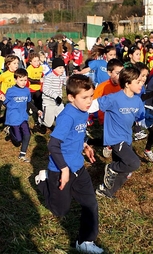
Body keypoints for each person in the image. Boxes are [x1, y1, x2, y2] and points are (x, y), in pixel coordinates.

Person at [35, 74, 103, 254]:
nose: (89, 102)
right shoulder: (67, 116)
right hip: (60, 169)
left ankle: (85, 242)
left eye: (91, 96)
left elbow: (75, 135)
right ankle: (43, 181)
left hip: (78, 168)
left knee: (90, 203)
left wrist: (85, 145)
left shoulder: (82, 111)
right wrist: (63, 169)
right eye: (85, 98)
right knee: (60, 210)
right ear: (71, 97)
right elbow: (53, 144)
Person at [90, 67, 145, 199]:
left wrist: (149, 122)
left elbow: (141, 118)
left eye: (142, 81)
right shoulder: (114, 98)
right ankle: (111, 167)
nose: (141, 84)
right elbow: (93, 105)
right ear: (127, 83)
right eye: (138, 81)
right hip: (115, 138)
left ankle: (106, 191)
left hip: (127, 138)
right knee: (134, 163)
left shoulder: (137, 100)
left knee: (126, 170)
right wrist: (78, 113)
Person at [4, 68, 42, 162]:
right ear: (15, 79)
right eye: (21, 80)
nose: (23, 82)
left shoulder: (26, 91)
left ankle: (22, 154)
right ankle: (10, 129)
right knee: (18, 140)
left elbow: (29, 102)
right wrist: (5, 106)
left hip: (23, 116)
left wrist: (37, 111)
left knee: (27, 134)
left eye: (25, 80)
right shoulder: (10, 91)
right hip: (13, 117)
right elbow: (4, 101)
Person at [41, 58, 66, 130]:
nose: (62, 70)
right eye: (60, 68)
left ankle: (60, 131)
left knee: (63, 118)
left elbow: (66, 83)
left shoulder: (61, 76)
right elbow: (45, 89)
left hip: (59, 103)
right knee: (48, 123)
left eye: (63, 67)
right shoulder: (49, 77)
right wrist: (56, 96)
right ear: (54, 68)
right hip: (49, 103)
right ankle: (40, 119)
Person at [26, 53, 45, 133]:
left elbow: (42, 76)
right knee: (28, 104)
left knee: (39, 104)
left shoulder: (41, 67)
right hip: (30, 89)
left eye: (38, 61)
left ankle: (39, 121)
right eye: (35, 61)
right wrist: (38, 81)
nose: (37, 63)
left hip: (38, 90)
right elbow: (29, 79)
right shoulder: (29, 68)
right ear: (30, 62)